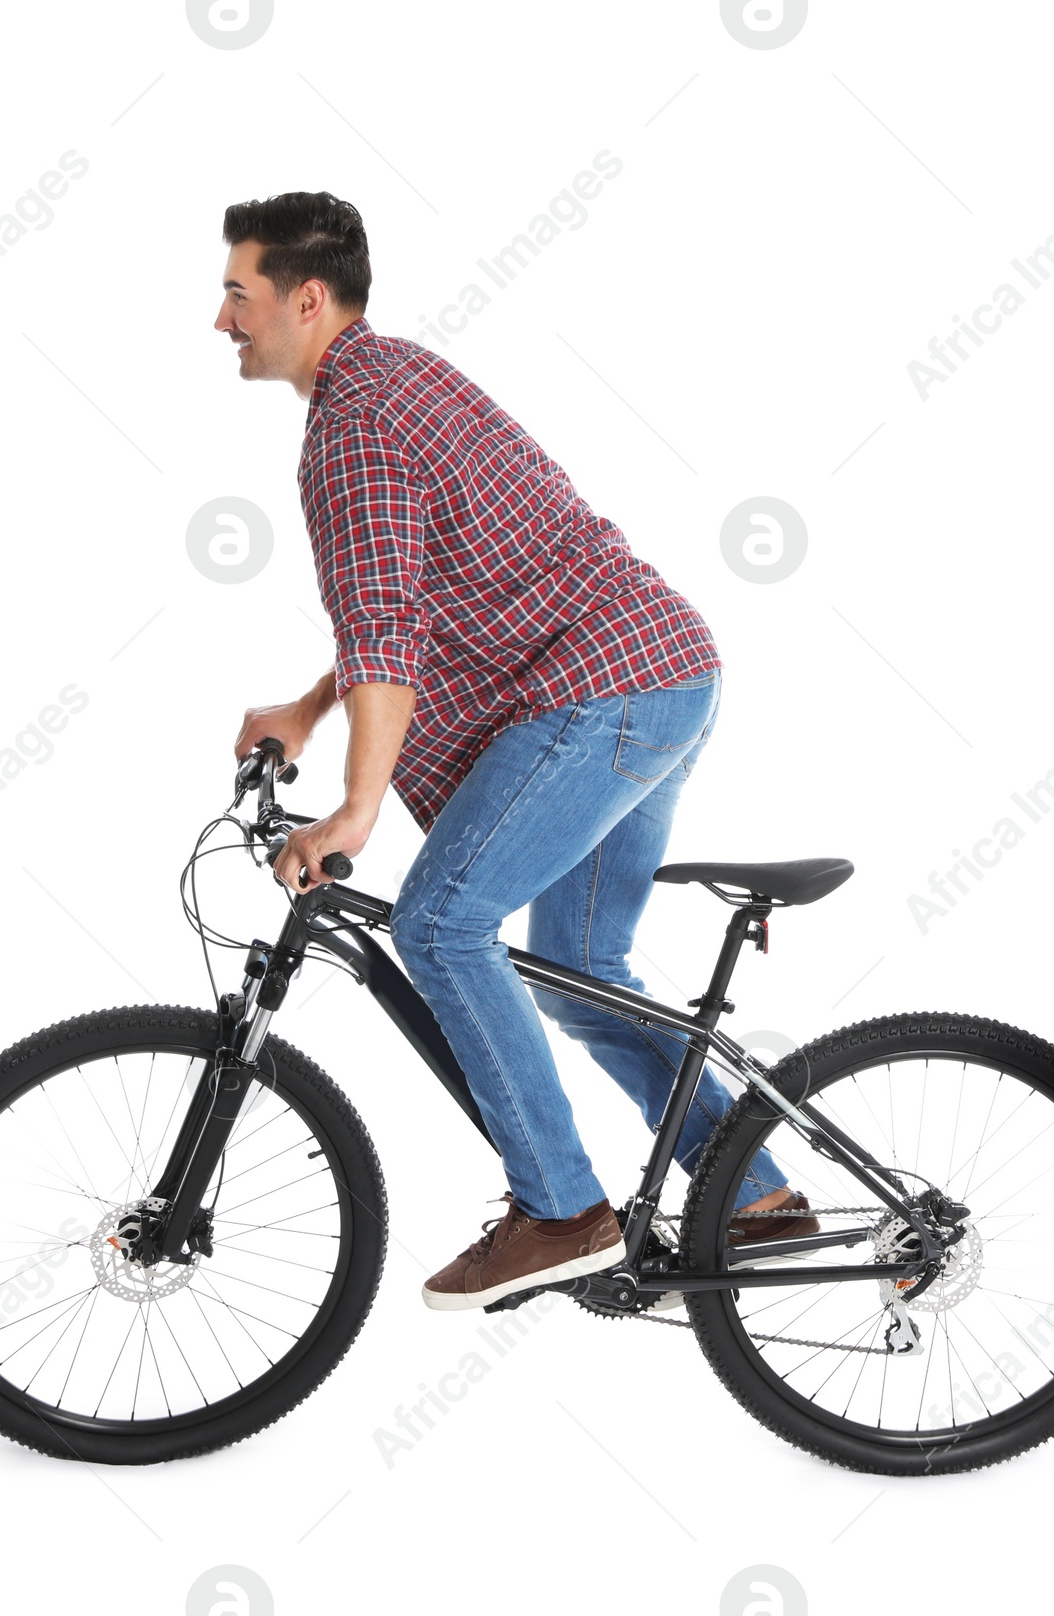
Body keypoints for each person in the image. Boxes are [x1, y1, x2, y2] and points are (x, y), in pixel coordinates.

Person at [221, 191, 817, 1311]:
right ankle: (755, 1195)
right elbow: (408, 605)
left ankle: (560, 1210)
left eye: (237, 295)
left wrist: (352, 809)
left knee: (441, 923)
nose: (221, 322)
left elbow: (390, 631)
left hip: (600, 693)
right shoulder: (393, 377)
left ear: (305, 299)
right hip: (656, 669)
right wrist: (311, 708)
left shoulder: (355, 427)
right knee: (583, 975)